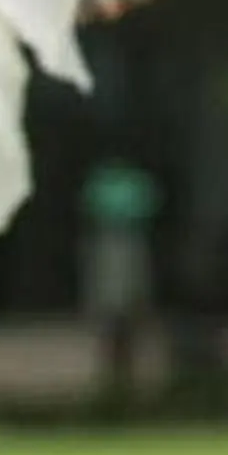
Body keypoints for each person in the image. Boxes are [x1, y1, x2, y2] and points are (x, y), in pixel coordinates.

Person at [81, 158, 160, 402]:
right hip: (111, 251)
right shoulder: (104, 186)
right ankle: (113, 382)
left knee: (127, 330)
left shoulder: (133, 185)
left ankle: (125, 383)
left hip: (127, 250)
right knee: (111, 329)